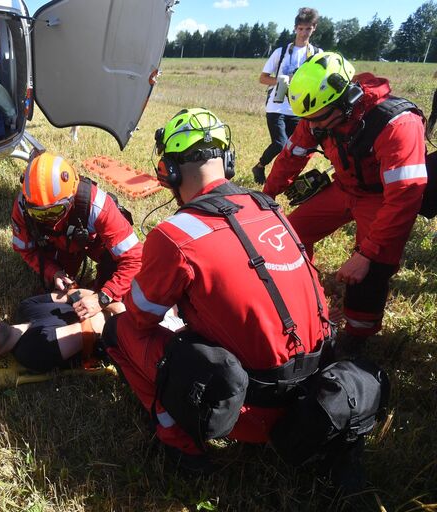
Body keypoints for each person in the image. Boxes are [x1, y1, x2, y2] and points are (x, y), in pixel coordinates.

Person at [103, 108, 333, 471]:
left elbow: (141, 316)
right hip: (315, 392)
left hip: (250, 407)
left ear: (171, 171)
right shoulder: (269, 208)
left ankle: (178, 442)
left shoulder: (175, 235)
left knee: (119, 330)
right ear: (227, 161)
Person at [263, 52, 428, 352]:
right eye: (307, 119)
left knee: (372, 269)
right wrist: (266, 197)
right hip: (344, 189)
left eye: (318, 118)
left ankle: (357, 335)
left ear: (347, 98)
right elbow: (291, 157)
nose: (312, 126)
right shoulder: (319, 116)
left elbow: (404, 197)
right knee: (289, 235)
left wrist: (366, 255)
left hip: (382, 198)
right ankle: (304, 295)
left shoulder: (397, 124)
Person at [11, 152, 142, 320]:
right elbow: (26, 250)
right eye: (39, 214)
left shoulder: (97, 205)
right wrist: (54, 272)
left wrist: (103, 297)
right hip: (59, 246)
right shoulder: (23, 208)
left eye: (55, 211)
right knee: (56, 292)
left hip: (94, 244)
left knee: (120, 285)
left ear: (71, 198)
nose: (48, 220)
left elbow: (136, 258)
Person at [0, 290, 124, 372]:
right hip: (123, 323)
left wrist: (103, 298)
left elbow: (73, 293)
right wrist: (114, 305)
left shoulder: (25, 308)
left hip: (110, 298)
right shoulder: (31, 351)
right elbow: (91, 331)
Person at [252, 7, 321, 185]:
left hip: (300, 108)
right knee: (280, 143)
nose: (304, 32)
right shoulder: (280, 52)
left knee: (293, 149)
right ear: (295, 28)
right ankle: (260, 166)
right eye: (301, 28)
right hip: (277, 105)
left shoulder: (317, 54)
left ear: (314, 28)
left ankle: (281, 179)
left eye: (308, 28)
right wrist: (284, 80)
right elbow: (262, 78)